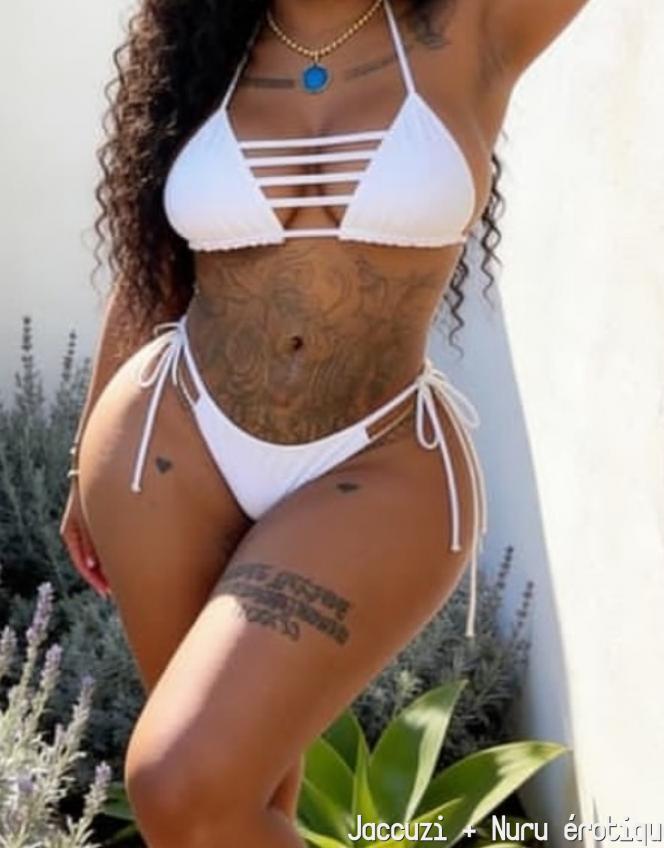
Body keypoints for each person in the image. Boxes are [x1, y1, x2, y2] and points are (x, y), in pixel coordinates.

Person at [59, 1, 590, 845]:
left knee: (179, 782)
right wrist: (85, 462)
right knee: (233, 800)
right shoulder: (204, 49)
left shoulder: (471, 28)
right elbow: (149, 263)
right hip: (167, 448)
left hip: (377, 456)